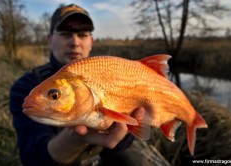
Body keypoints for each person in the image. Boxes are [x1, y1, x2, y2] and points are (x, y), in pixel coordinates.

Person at [9, 4, 150, 166]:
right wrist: (76, 138)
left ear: (91, 41)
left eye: (82, 34)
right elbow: (32, 157)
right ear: (50, 39)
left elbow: (123, 143)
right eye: (65, 33)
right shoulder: (26, 86)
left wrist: (123, 133)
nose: (75, 42)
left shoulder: (110, 71)